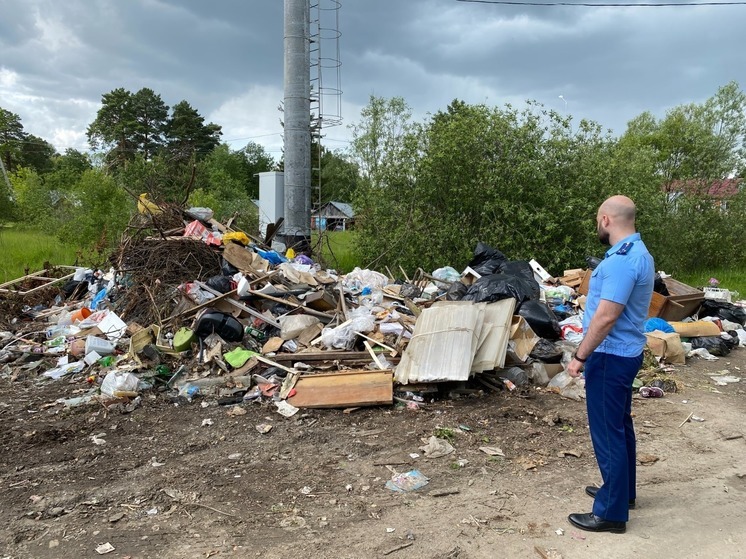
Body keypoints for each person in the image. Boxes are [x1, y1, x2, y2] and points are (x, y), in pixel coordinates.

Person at [566, 195, 655, 534]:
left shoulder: (620, 261)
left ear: (605, 220)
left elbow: (605, 317)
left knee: (607, 432)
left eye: (596, 221)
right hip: (626, 352)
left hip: (610, 356)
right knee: (619, 426)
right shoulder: (640, 253)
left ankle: (611, 513)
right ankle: (622, 492)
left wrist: (579, 357)